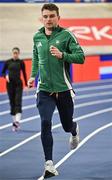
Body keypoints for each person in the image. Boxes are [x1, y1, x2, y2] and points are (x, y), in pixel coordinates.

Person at [28, 3, 85, 179]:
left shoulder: (67, 36)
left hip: (63, 90)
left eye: (52, 16)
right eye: (45, 16)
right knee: (45, 122)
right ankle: (49, 165)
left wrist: (63, 55)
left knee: (66, 124)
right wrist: (32, 76)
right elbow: (36, 59)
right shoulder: (37, 37)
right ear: (41, 18)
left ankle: (74, 129)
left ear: (58, 18)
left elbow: (81, 57)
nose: (48, 19)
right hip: (44, 90)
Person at [2, 47, 27, 131]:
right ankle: (14, 123)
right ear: (12, 53)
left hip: (18, 85)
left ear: (19, 53)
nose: (15, 54)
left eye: (16, 53)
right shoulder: (8, 62)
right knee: (12, 102)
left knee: (18, 101)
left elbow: (24, 73)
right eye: (14, 53)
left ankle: (17, 121)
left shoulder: (21, 62)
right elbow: (2, 72)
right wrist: (6, 75)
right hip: (9, 85)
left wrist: (26, 84)